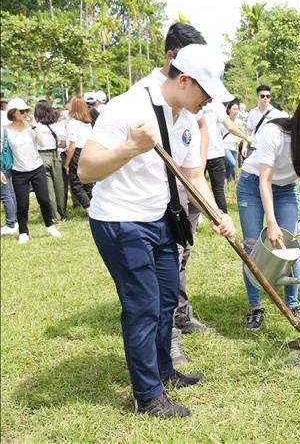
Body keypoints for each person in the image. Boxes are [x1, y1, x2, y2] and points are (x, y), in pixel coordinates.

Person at [78, 43, 236, 418]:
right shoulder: (127, 107)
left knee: (167, 299)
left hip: (160, 220)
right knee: (143, 306)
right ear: (184, 80)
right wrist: (132, 147)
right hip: (120, 221)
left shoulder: (185, 117)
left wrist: (217, 212)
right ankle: (147, 396)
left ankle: (164, 371)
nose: (210, 103)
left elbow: (192, 174)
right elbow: (86, 168)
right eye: (207, 93)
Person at [132, 22, 219, 361]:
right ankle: (167, 336)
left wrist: (207, 200)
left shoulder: (195, 93)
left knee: (180, 254)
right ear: (172, 58)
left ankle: (179, 313)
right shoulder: (145, 94)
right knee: (158, 270)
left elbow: (199, 127)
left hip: (183, 187)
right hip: (149, 202)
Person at [238, 96, 300, 330]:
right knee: (253, 245)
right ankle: (255, 308)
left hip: (286, 189)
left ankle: (292, 305)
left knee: (291, 244)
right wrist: (271, 222)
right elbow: (265, 180)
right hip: (253, 185)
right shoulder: (274, 132)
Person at [5, 98, 61, 243]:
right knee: (23, 204)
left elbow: (42, 142)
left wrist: (34, 127)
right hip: (18, 172)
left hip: (37, 168)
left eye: (27, 110)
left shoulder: (31, 126)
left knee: (44, 199)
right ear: (13, 113)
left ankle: (49, 225)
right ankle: (23, 232)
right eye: (22, 111)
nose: (26, 113)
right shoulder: (5, 130)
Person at [201, 98, 251, 212]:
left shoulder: (201, 102)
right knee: (217, 191)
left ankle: (221, 220)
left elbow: (230, 127)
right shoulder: (215, 104)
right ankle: (221, 219)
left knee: (198, 188)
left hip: (211, 153)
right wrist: (246, 137)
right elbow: (230, 127)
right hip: (209, 154)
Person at [35, 99, 68, 222]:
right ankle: (62, 213)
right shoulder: (58, 126)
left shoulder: (35, 127)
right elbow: (63, 144)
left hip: (41, 157)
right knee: (59, 186)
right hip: (55, 155)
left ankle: (55, 217)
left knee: (49, 189)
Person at [64, 96, 94, 217]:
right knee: (88, 183)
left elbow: (72, 146)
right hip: (88, 152)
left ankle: (90, 212)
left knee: (76, 185)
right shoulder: (87, 122)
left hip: (78, 154)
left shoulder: (73, 123)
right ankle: (94, 209)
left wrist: (66, 164)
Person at [244, 85, 287, 154]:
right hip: (254, 148)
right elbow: (249, 130)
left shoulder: (276, 113)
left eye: (268, 96)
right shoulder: (252, 112)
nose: (265, 98)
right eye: (262, 96)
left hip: (270, 149)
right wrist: (244, 147)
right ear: (258, 97)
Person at [1, 102, 18, 236]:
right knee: (11, 192)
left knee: (5, 193)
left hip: (3, 162)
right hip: (10, 161)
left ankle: (11, 223)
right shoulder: (6, 119)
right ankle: (15, 220)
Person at [223, 99, 244, 183]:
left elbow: (241, 133)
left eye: (237, 109)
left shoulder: (239, 122)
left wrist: (240, 139)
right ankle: (236, 180)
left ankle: (226, 183)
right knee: (233, 163)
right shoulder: (224, 120)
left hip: (234, 147)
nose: (235, 111)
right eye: (233, 109)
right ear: (229, 110)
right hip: (224, 146)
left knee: (229, 167)